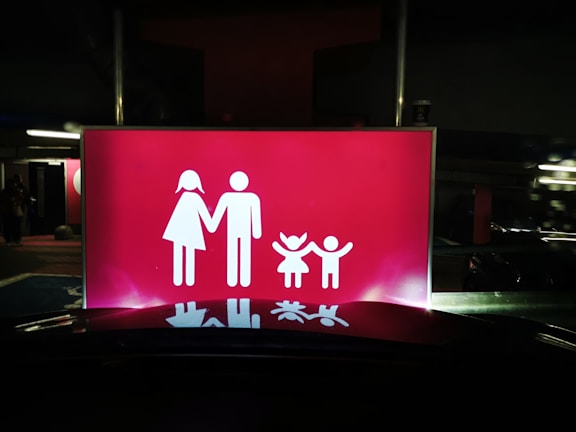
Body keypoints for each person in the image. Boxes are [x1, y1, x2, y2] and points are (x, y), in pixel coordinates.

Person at [162, 170, 212, 287]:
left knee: (183, 252)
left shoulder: (188, 197)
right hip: (185, 230)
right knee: (186, 252)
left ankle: (184, 280)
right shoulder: (194, 198)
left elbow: (202, 213)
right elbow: (204, 214)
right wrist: (211, 225)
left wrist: (210, 225)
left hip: (182, 230)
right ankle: (184, 280)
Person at [0, 178, 24, 246]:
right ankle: (13, 239)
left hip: (9, 211)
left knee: (10, 226)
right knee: (12, 226)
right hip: (10, 211)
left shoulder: (6, 192)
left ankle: (11, 239)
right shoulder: (13, 191)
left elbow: (20, 199)